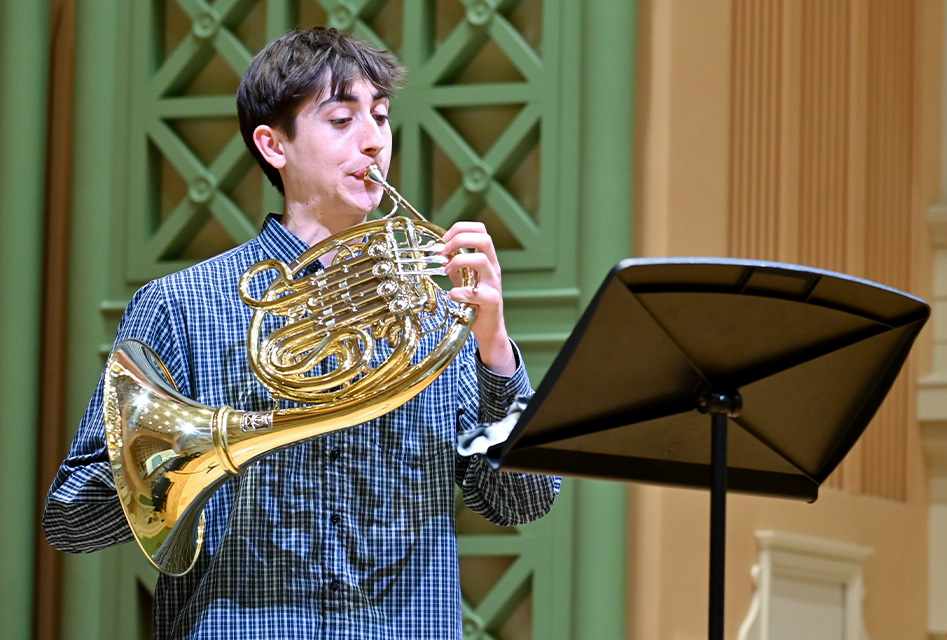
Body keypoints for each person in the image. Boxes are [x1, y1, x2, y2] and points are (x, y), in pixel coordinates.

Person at [43, 26, 560, 639]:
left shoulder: (434, 307)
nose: (374, 141)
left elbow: (523, 502)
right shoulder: (182, 305)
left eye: (381, 116)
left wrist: (494, 349)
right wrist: (194, 447)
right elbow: (72, 521)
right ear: (273, 145)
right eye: (341, 120)